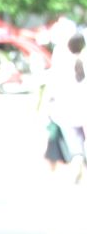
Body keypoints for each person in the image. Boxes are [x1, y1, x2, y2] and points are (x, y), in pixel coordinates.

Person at [42, 34, 87, 180]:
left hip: (66, 109)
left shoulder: (63, 62)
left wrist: (47, 104)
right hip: (82, 108)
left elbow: (53, 87)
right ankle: (79, 159)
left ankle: (77, 159)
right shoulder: (82, 60)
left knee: (74, 139)